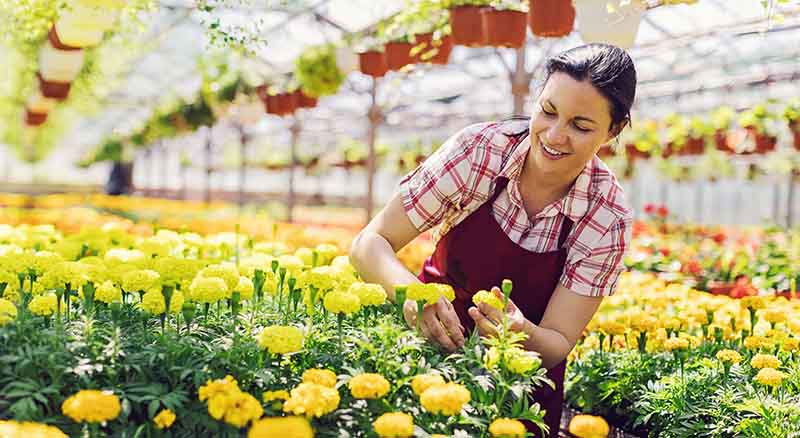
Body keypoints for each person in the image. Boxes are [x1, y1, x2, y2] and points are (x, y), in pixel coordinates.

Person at [349, 43, 636, 437]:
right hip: (430, 355)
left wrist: (520, 333)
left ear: (614, 130)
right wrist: (411, 294)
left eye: (580, 126)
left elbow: (557, 341)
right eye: (548, 111)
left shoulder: (606, 215)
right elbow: (371, 242)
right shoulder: (479, 152)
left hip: (517, 393)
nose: (554, 135)